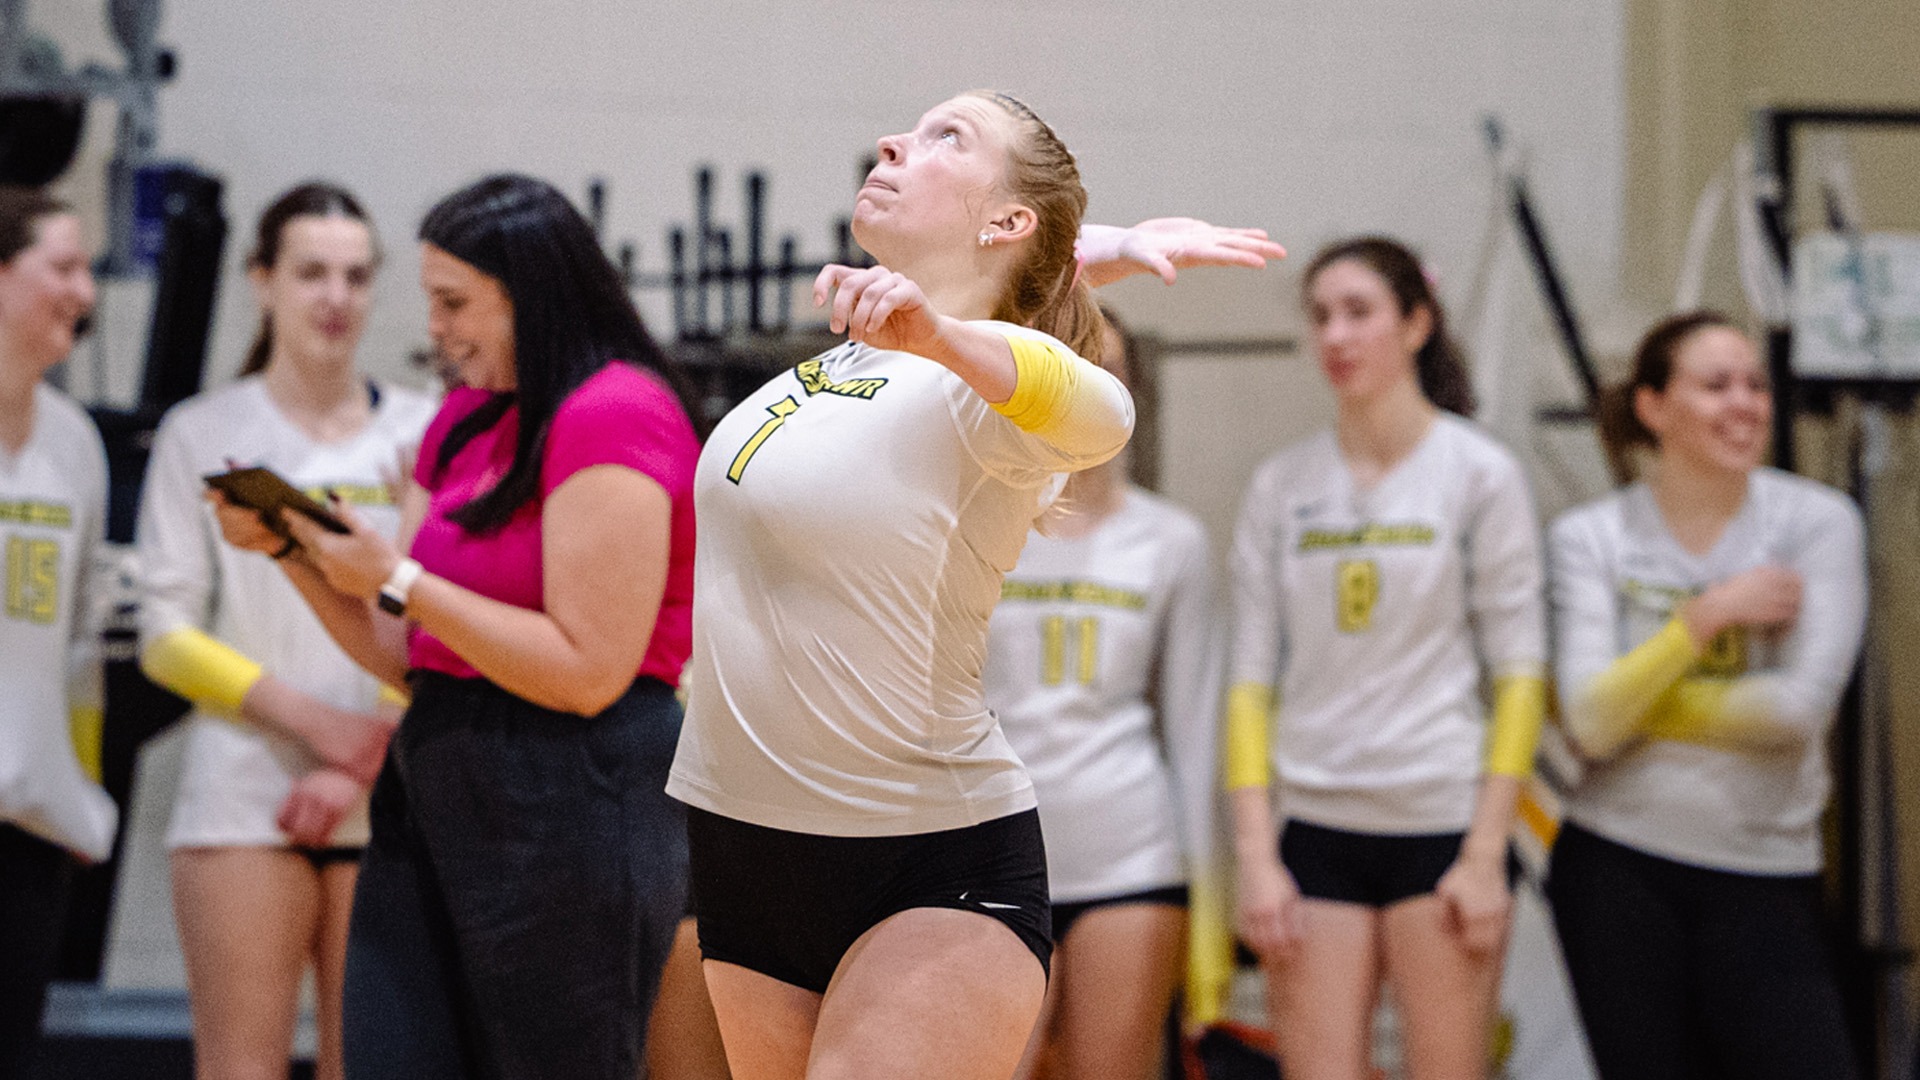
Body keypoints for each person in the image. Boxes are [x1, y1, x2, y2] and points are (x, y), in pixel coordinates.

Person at [666, 89, 1284, 1080]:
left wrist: (951, 328)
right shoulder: (842, 362)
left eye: (946, 135)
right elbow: (1000, 282)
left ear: (1004, 220)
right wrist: (1087, 249)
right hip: (748, 853)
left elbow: (1100, 411)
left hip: (922, 864)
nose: (894, 140)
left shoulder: (982, 392)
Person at [208, 173, 699, 1080]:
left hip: (579, 790)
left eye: (454, 302)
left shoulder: (616, 410)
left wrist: (399, 577)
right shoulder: (465, 418)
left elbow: (590, 668)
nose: (433, 328)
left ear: (532, 297)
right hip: (438, 781)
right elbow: (412, 654)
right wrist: (293, 551)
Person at [1224, 236, 1547, 1080]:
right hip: (1317, 827)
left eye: (1359, 312)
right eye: (1322, 316)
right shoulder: (1281, 486)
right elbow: (1248, 685)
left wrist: (1485, 855)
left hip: (1441, 825)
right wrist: (1257, 858)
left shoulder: (1479, 474)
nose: (1336, 336)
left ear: (1417, 323)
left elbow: (1520, 676)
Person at [135, 181, 436, 1080]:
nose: (334, 298)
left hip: (392, 795)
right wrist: (325, 730)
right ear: (261, 281)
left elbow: (434, 626)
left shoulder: (423, 431)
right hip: (245, 794)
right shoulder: (203, 433)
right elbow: (162, 632)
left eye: (354, 275)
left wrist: (368, 757)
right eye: (310, 273)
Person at [1545, 311, 1865, 1080]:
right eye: (1715, 385)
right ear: (1654, 407)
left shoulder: (1817, 523)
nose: (1745, 404)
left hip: (1766, 868)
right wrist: (1703, 619)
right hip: (1616, 868)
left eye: (1756, 385)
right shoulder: (1592, 536)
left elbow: (1794, 714)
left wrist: (1630, 702)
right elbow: (1586, 724)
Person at [982, 308, 1224, 1080]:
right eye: (1072, 365)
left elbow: (1195, 729)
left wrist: (1213, 903)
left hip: (1130, 855)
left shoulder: (1172, 541)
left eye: (1109, 368)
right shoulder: (982, 525)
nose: (1092, 383)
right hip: (990, 858)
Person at [0, 185, 115, 1080]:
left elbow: (81, 648)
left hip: (30, 817)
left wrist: (79, 786)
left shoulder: (74, 441)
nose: (85, 289)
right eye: (64, 265)